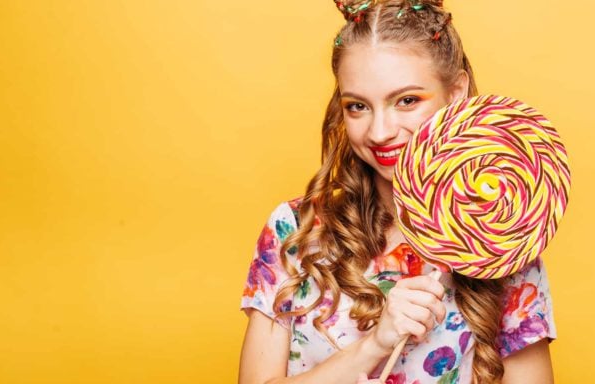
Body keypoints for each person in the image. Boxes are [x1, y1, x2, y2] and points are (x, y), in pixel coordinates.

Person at [238, 1, 556, 383]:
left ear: (456, 94)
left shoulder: (500, 239)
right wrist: (373, 345)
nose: (380, 132)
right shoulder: (296, 230)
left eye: (406, 100)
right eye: (358, 106)